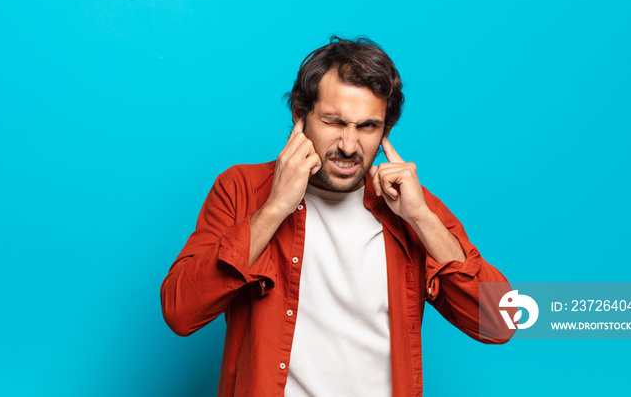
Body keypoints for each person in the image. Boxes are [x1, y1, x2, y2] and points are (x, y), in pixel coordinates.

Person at [161, 36, 512, 396]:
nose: (348, 145)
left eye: (367, 127)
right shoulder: (242, 189)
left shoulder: (412, 207)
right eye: (334, 122)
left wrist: (422, 220)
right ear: (300, 117)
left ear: (386, 131)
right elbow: (180, 312)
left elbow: (502, 321)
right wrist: (275, 208)